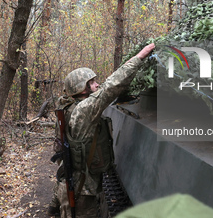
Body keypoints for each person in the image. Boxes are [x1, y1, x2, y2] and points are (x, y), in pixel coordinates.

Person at [48, 43, 155, 217]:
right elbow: (111, 87)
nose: (98, 85)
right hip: (82, 189)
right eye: (92, 83)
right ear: (82, 89)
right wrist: (140, 57)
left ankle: (55, 205)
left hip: (71, 182)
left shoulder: (66, 107)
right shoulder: (84, 110)